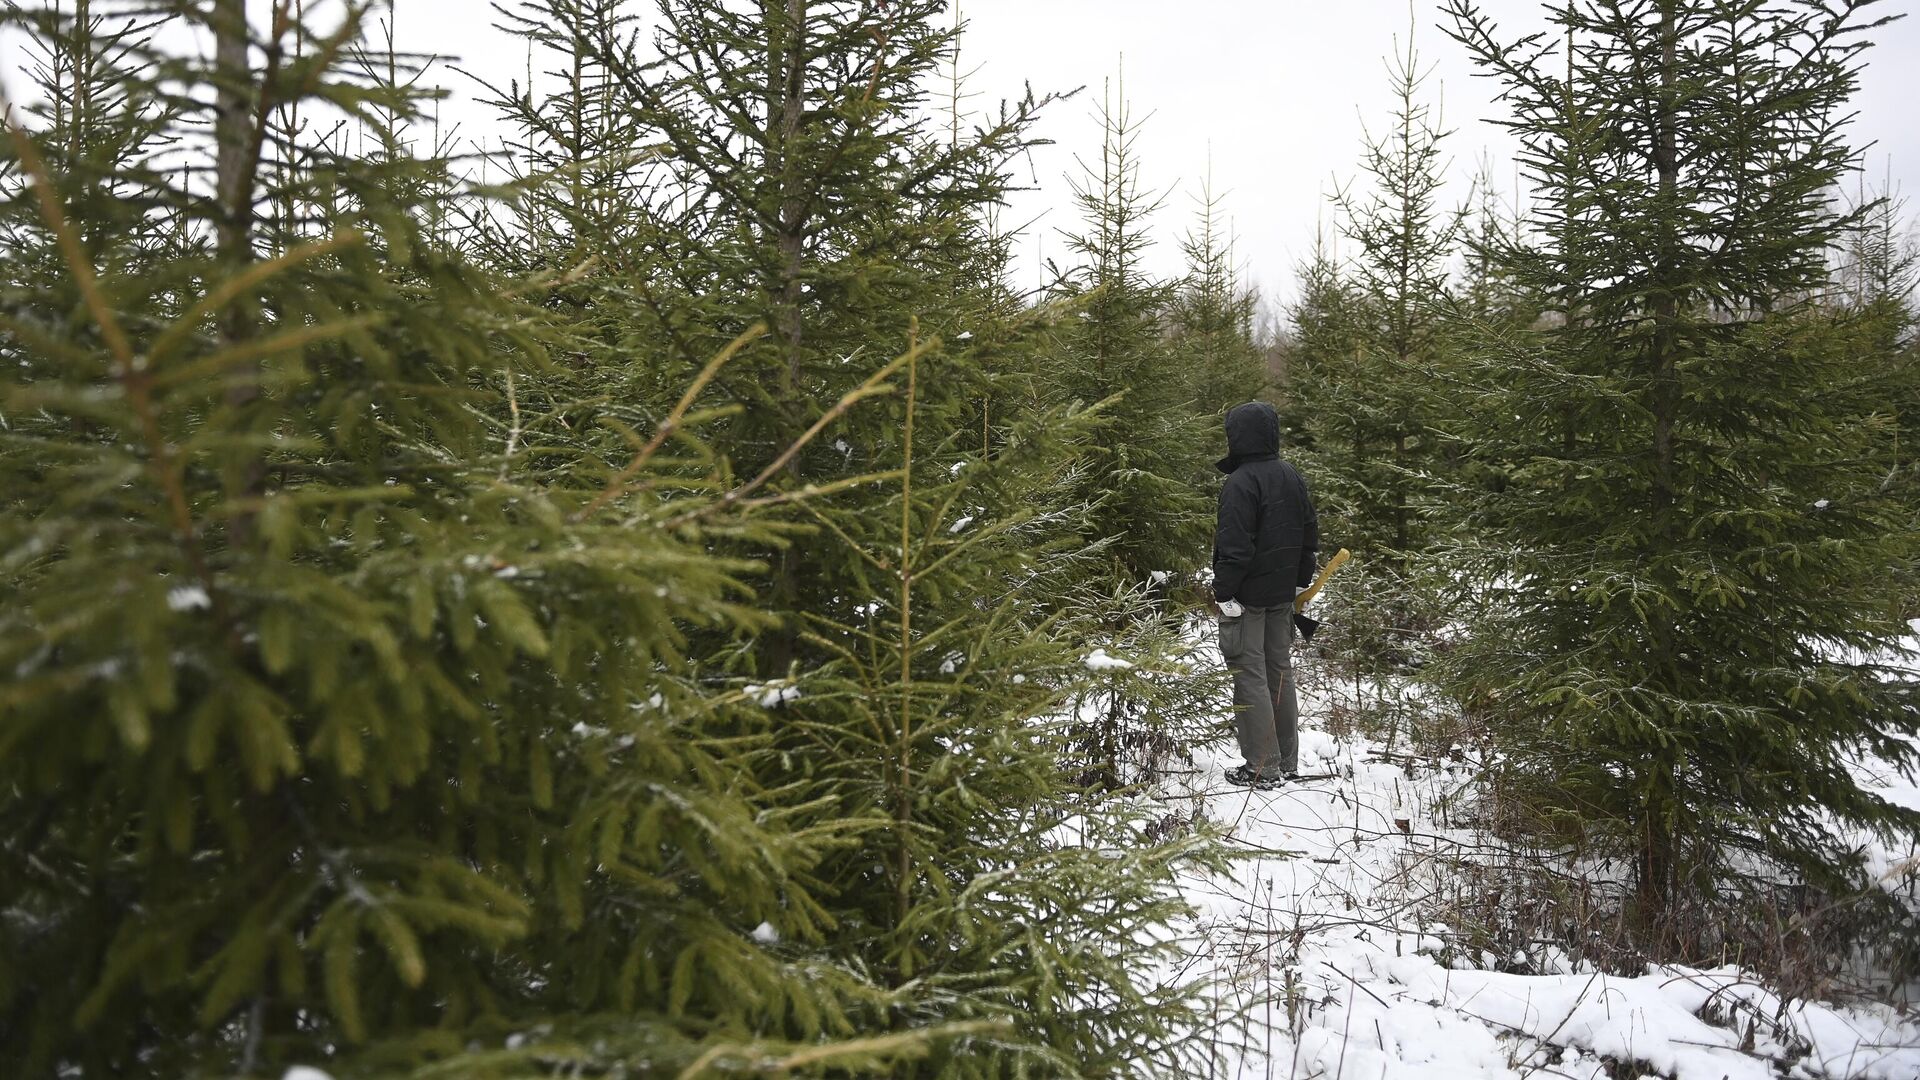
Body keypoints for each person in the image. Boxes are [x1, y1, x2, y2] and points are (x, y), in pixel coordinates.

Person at [1211, 401, 1318, 788]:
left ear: (1236, 436)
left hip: (1248, 598)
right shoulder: (1290, 474)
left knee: (1250, 672)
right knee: (1278, 669)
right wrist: (1299, 578)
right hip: (1281, 592)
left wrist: (1223, 590)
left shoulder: (1240, 483)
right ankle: (1286, 760)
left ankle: (1262, 766)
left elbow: (1235, 547)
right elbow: (1310, 531)